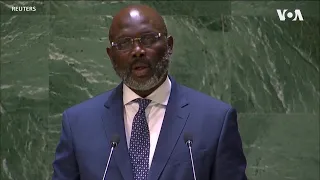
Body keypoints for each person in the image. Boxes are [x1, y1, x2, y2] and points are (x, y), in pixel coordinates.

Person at [52, 4, 247, 180]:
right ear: (111, 57)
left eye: (148, 39)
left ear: (169, 46)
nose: (137, 50)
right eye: (124, 43)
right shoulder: (78, 124)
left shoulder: (215, 120)